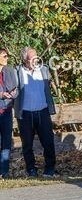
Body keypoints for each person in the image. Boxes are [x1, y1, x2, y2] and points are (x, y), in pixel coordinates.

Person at [14, 47, 58, 177]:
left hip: (43, 111)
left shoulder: (43, 70)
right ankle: (31, 169)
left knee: (48, 142)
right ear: (24, 59)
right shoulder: (17, 71)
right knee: (27, 144)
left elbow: (48, 87)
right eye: (31, 58)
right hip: (25, 114)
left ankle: (50, 169)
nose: (35, 60)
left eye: (36, 57)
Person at [0, 49, 16, 178]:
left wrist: (13, 93)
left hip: (6, 111)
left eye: (7, 56)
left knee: (6, 142)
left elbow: (15, 86)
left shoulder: (9, 71)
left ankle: (4, 172)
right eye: (4, 56)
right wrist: (1, 94)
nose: (7, 58)